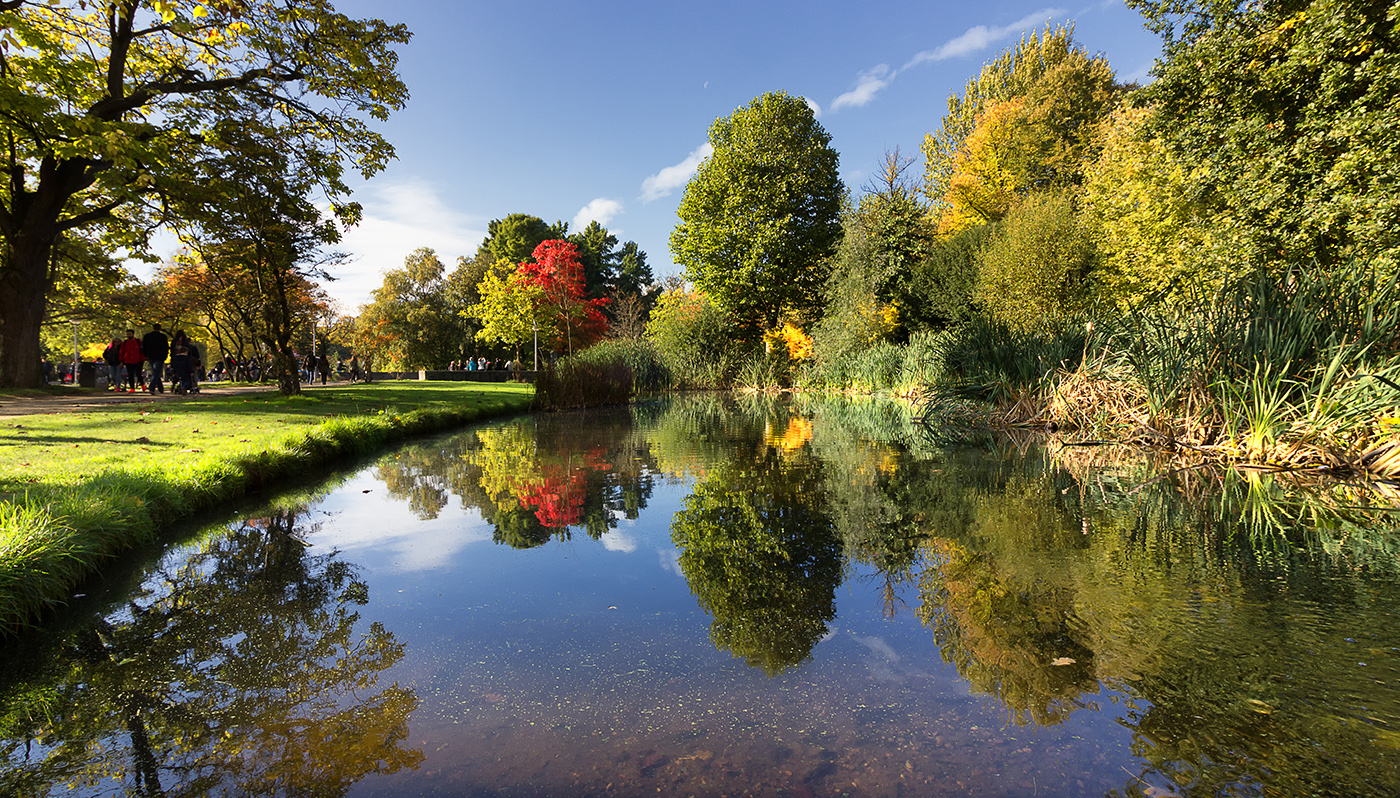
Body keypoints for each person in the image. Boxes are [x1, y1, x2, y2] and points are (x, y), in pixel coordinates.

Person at [141, 323, 169, 394]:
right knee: (156, 372)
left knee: (155, 372)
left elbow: (143, 346)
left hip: (150, 356)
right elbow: (166, 347)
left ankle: (160, 388)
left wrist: (145, 355)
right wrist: (165, 356)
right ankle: (152, 388)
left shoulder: (147, 336)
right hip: (160, 356)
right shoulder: (163, 337)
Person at [169, 330, 193, 394]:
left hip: (176, 359)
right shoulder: (185, 342)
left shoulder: (174, 342)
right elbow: (189, 351)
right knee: (187, 378)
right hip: (184, 363)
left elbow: (172, 350)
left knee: (177, 376)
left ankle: (175, 385)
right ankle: (184, 387)